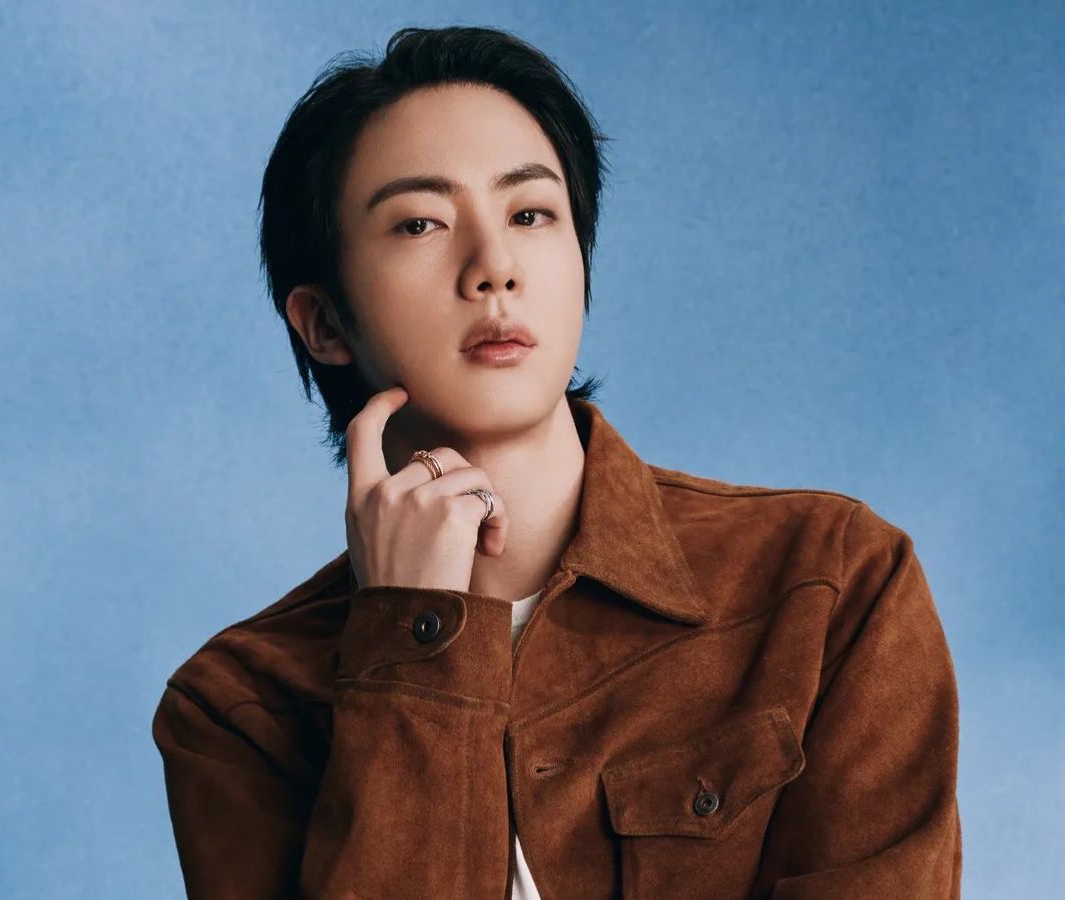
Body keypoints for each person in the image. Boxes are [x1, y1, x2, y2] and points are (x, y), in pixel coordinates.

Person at [152, 25, 962, 900]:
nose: (494, 267)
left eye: (531, 214)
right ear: (323, 323)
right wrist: (411, 642)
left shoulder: (829, 580)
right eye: (419, 223)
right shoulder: (238, 708)